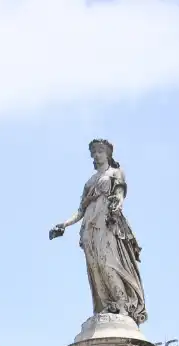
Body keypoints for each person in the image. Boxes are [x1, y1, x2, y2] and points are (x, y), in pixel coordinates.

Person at [49, 138, 148, 325]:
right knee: (95, 266)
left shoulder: (115, 173)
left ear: (108, 154)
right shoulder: (90, 181)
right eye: (93, 152)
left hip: (107, 222)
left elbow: (119, 194)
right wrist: (64, 224)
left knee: (108, 263)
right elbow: (80, 210)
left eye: (100, 151)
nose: (96, 155)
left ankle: (122, 305)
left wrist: (117, 206)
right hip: (89, 226)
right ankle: (106, 305)